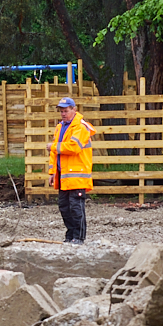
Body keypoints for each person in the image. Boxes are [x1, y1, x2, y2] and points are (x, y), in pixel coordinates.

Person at [48, 96, 96, 244]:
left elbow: (73, 148)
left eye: (66, 111)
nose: (63, 114)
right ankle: (70, 236)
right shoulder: (60, 127)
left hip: (77, 175)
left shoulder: (81, 127)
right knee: (64, 207)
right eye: (61, 111)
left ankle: (79, 237)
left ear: (74, 110)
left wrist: (53, 147)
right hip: (64, 175)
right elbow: (55, 154)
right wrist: (52, 172)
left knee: (76, 207)